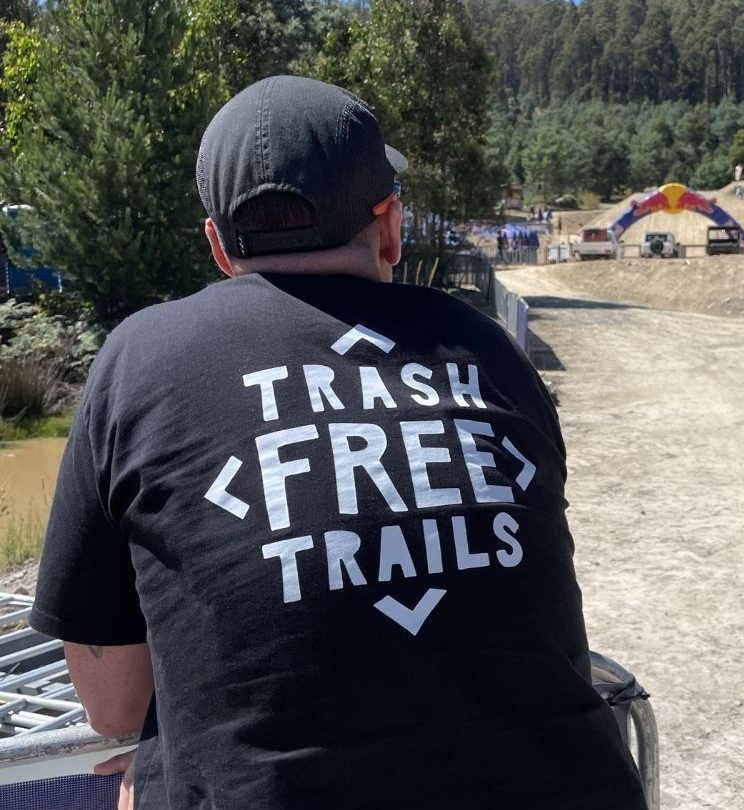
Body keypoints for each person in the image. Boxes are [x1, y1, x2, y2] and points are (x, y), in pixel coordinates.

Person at [30, 75, 648, 810]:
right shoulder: (486, 349)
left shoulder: (141, 359)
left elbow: (115, 708)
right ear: (387, 225)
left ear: (219, 247)